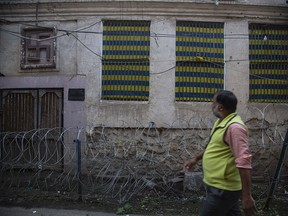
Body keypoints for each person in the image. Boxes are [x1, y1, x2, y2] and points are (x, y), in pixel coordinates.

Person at [183, 90, 257, 216]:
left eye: (213, 102)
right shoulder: (221, 122)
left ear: (221, 107)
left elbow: (243, 162)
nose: (211, 105)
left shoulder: (234, 128)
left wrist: (247, 196)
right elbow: (214, 146)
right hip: (218, 186)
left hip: (224, 189)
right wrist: (196, 159)